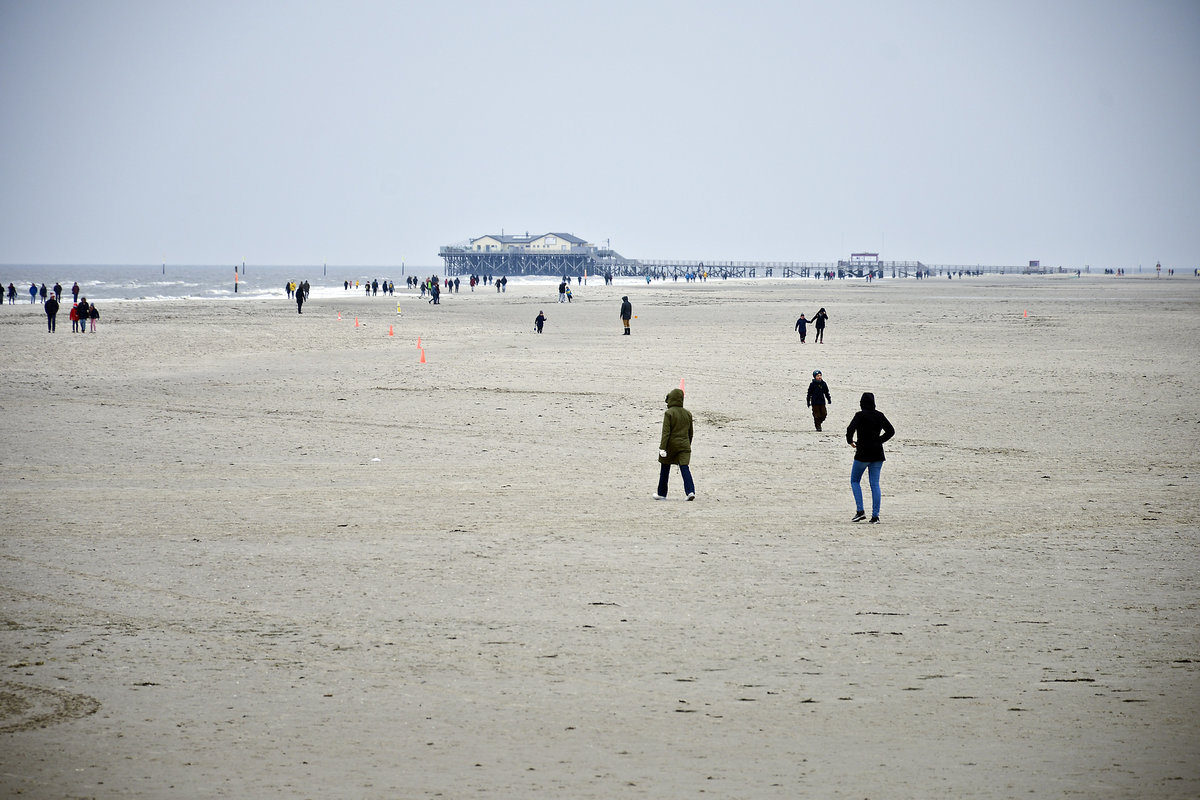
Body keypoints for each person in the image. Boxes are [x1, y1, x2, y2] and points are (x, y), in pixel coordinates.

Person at [846, 392, 895, 524]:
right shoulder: (879, 415)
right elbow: (891, 431)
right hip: (878, 453)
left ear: (861, 403)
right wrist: (879, 441)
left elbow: (850, 429)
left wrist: (850, 441)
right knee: (875, 484)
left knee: (855, 480)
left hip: (862, 453)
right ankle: (875, 516)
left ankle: (860, 511)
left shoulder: (859, 415)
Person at [654, 387, 695, 500]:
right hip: (685, 445)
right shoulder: (688, 414)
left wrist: (662, 448)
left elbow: (666, 433)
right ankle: (690, 491)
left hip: (671, 445)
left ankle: (662, 494)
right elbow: (690, 433)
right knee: (684, 468)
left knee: (665, 468)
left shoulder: (669, 413)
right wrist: (688, 445)